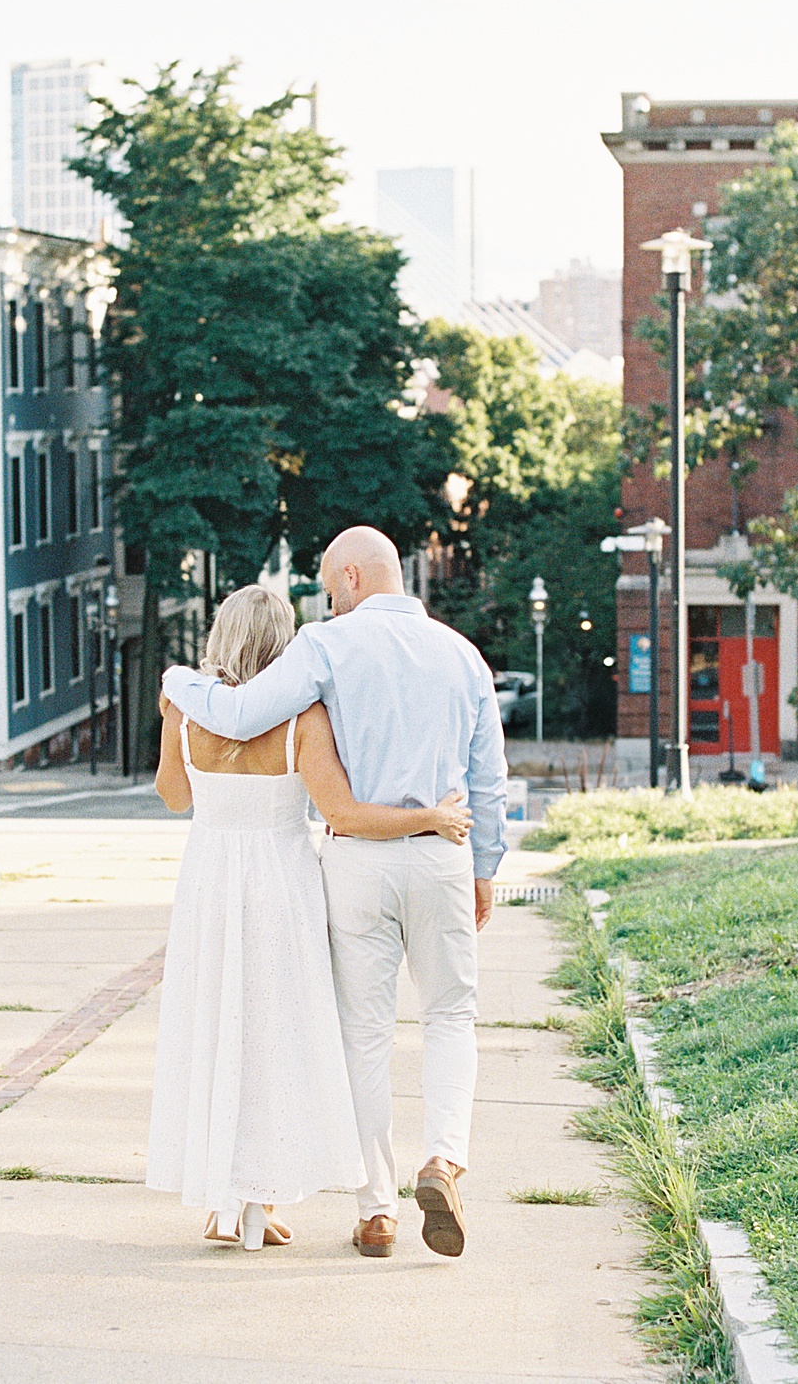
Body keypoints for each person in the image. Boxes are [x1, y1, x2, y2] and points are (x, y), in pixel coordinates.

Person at [162, 526, 507, 1261]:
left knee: (364, 1033)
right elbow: (489, 774)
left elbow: (240, 714)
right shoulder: (463, 655)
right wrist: (484, 866)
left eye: (326, 585)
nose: (325, 599)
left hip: (358, 860)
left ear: (351, 576)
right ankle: (444, 1159)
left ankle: (376, 1209)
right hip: (443, 850)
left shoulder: (326, 644)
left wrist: (179, 684)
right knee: (451, 1015)